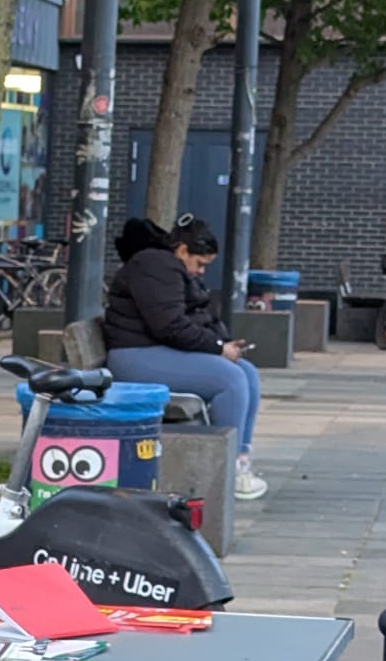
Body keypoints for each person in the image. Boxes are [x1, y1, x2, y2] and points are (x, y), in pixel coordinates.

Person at [104, 214, 267, 500]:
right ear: (181, 251)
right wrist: (217, 348)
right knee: (230, 380)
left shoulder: (166, 268)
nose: (202, 271)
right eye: (200, 263)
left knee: (247, 372)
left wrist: (222, 343)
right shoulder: (156, 266)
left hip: (152, 350)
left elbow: (183, 320)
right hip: (135, 356)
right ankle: (226, 473)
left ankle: (240, 458)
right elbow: (169, 325)